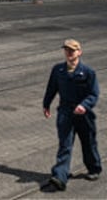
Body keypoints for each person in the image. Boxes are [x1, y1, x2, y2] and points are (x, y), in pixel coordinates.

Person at [42, 38, 102, 191]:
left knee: (88, 143)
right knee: (65, 145)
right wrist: (46, 104)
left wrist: (84, 105)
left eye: (72, 50)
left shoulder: (88, 72)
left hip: (84, 114)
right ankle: (60, 177)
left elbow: (94, 94)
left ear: (79, 52)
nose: (69, 53)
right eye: (66, 50)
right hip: (65, 112)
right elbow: (51, 88)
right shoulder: (58, 70)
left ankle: (94, 168)